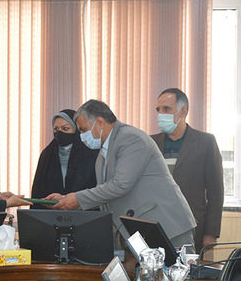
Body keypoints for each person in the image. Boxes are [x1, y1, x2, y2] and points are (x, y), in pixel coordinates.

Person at [49, 99, 196, 249]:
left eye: (83, 129)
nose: (81, 136)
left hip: (167, 227)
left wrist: (77, 199)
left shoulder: (130, 138)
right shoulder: (103, 153)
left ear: (99, 122)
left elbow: (120, 185)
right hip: (143, 232)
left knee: (178, 266)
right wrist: (65, 200)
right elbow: (104, 194)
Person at [149, 88, 224, 252]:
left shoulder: (205, 142)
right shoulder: (150, 143)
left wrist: (211, 233)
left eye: (166, 109)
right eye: (158, 109)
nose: (161, 114)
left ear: (183, 112)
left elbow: (216, 191)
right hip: (157, 225)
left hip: (192, 226)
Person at [31, 109, 98, 209]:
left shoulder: (90, 154)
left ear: (76, 129)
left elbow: (96, 189)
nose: (60, 132)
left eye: (65, 128)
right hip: (51, 214)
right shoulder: (47, 155)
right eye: (56, 129)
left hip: (85, 213)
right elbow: (38, 190)